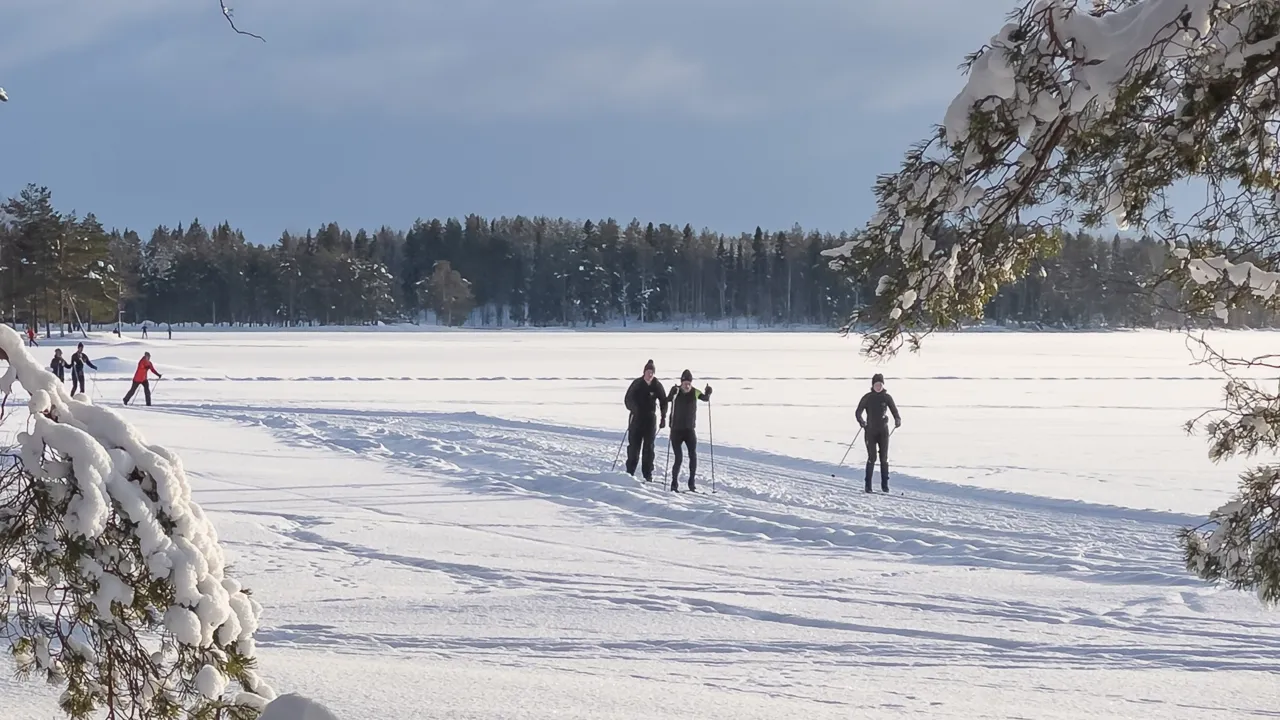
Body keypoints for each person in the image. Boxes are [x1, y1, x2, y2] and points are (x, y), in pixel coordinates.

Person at [666, 369, 712, 492]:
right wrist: (673, 392)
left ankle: (691, 483)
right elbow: (668, 399)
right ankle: (674, 484)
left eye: (689, 383)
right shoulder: (676, 391)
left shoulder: (695, 392)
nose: (687, 385)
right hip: (676, 430)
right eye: (685, 382)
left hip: (689, 430)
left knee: (693, 455)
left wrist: (708, 392)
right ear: (681, 382)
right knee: (678, 458)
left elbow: (705, 398)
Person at [623, 359, 668, 482]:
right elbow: (628, 399)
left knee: (649, 448)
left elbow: (663, 401)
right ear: (644, 372)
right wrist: (634, 408)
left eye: (652, 372)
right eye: (648, 371)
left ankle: (647, 474)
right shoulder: (637, 383)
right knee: (634, 447)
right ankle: (630, 472)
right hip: (636, 419)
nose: (650, 374)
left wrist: (663, 416)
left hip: (650, 420)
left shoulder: (657, 385)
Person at [855, 372, 901, 493]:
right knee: (872, 458)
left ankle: (885, 486)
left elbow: (894, 411)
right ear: (873, 385)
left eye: (880, 384)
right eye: (876, 384)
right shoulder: (868, 397)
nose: (878, 387)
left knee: (884, 458)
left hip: (883, 431)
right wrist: (861, 421)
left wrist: (897, 419)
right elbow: (858, 412)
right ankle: (868, 485)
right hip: (870, 431)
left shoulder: (887, 397)